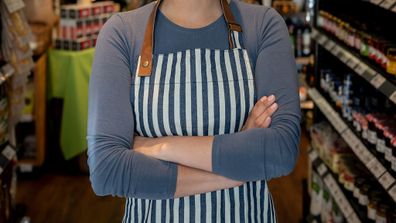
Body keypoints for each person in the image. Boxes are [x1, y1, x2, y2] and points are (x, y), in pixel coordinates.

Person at [87, 0, 301, 222]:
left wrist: (160, 146)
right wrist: (245, 164)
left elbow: (280, 150)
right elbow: (108, 171)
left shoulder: (263, 25)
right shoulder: (122, 33)